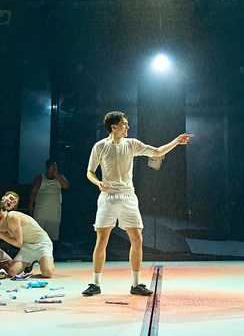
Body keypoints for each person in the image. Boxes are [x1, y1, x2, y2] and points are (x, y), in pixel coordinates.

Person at [82, 110, 193, 297]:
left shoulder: (131, 144)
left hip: (128, 197)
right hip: (108, 197)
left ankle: (135, 284)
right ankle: (95, 284)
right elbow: (90, 172)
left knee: (137, 239)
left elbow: (157, 151)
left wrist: (176, 141)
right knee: (102, 240)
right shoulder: (100, 146)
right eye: (124, 124)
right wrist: (98, 183)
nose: (127, 126)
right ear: (113, 127)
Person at [0, 205, 57, 278]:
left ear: (0, 212)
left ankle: (44, 260)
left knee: (47, 273)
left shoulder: (13, 217)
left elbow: (18, 243)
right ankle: (29, 264)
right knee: (12, 273)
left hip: (41, 243)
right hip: (27, 246)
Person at [29, 159, 69, 242]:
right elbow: (33, 194)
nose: (54, 168)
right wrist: (30, 209)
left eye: (55, 166)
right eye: (52, 166)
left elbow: (66, 186)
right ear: (47, 167)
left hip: (54, 215)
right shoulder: (40, 178)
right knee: (38, 236)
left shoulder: (60, 177)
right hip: (40, 214)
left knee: (52, 238)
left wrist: (57, 176)